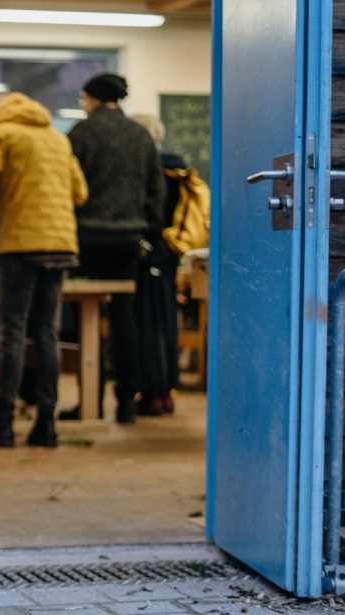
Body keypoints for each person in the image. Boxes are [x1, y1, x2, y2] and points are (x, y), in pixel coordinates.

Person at [0, 92, 88, 447]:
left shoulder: (1, 134)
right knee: (47, 333)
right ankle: (46, 424)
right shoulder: (57, 138)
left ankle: (3, 421)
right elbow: (80, 192)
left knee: (12, 331)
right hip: (60, 244)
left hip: (20, 246)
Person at [68, 73, 164, 424]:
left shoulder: (82, 133)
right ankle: (126, 403)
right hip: (128, 240)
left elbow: (69, 185)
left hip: (87, 238)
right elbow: (156, 191)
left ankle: (89, 402)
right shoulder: (140, 135)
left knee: (87, 319)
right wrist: (148, 229)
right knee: (125, 320)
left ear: (94, 99)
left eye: (83, 98)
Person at [131, 113, 187, 416]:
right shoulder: (177, 168)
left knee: (148, 324)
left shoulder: (150, 168)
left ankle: (152, 392)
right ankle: (165, 391)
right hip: (170, 253)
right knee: (165, 322)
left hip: (150, 252)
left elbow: (152, 214)